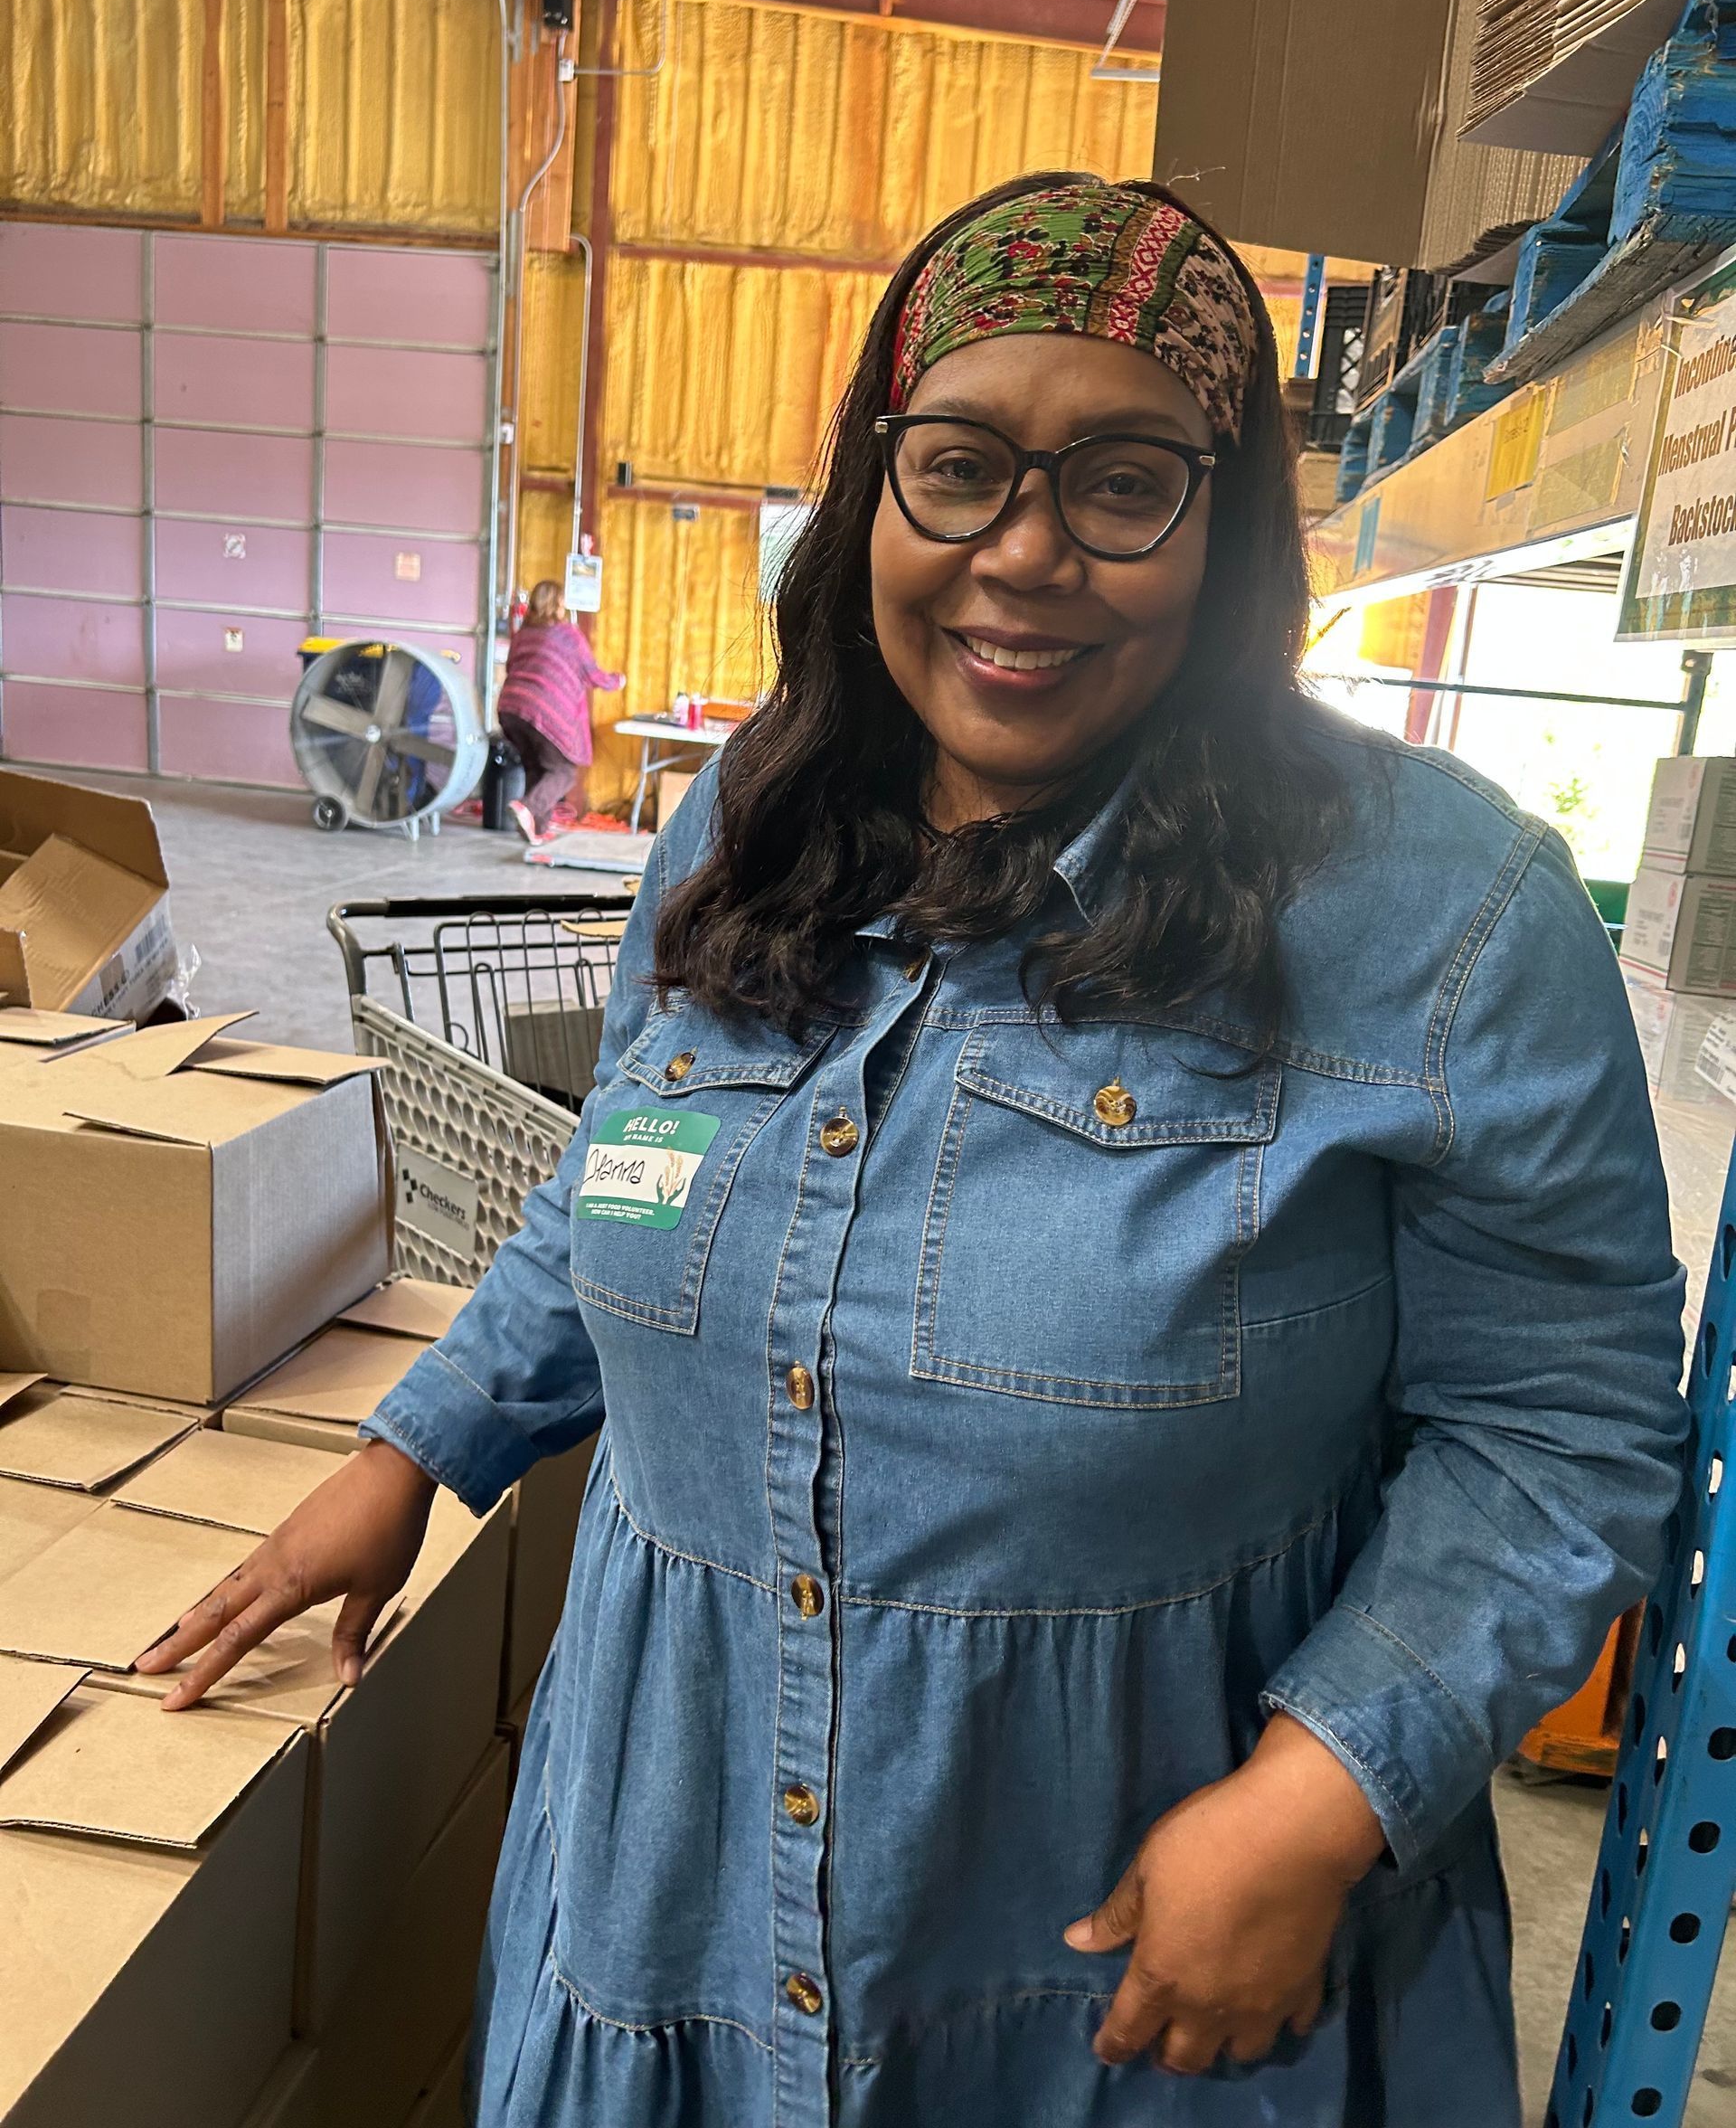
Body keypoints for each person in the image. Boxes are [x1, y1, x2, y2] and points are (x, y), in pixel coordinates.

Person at [142, 175, 1685, 2127]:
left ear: (1225, 526)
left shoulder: (1434, 910)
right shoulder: (740, 830)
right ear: (873, 484)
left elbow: (1560, 1420)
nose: (1022, 555)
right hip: (668, 1880)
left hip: (1128, 1945)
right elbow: (625, 1168)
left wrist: (1325, 1793)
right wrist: (411, 1447)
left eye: (1124, 482)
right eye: (959, 466)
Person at [496, 576, 624, 844]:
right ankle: (528, 808)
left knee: (537, 768)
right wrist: (618, 680)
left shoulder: (523, 634)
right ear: (557, 604)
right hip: (543, 712)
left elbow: (510, 668)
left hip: (511, 708)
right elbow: (591, 673)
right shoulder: (567, 634)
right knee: (564, 772)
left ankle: (537, 830)